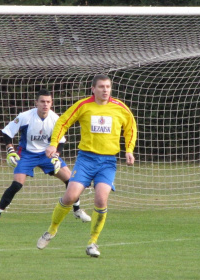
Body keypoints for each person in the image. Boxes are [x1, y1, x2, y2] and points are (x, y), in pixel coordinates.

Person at [36, 74, 137, 257]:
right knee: (70, 196)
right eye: (101, 87)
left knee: (100, 200)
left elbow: (131, 127)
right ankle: (51, 230)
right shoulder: (83, 105)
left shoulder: (120, 108)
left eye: (107, 87)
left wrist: (129, 150)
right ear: (93, 89)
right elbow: (62, 122)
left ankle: (93, 242)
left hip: (107, 162)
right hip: (86, 159)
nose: (105, 90)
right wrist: (53, 143)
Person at [0, 89, 91, 225]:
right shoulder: (25, 116)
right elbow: (7, 132)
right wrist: (10, 150)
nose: (45, 104)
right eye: (42, 101)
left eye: (48, 102)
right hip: (26, 154)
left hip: (47, 154)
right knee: (17, 184)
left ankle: (77, 210)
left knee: (71, 180)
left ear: (51, 103)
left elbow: (61, 141)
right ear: (36, 102)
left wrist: (56, 155)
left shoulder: (55, 119)